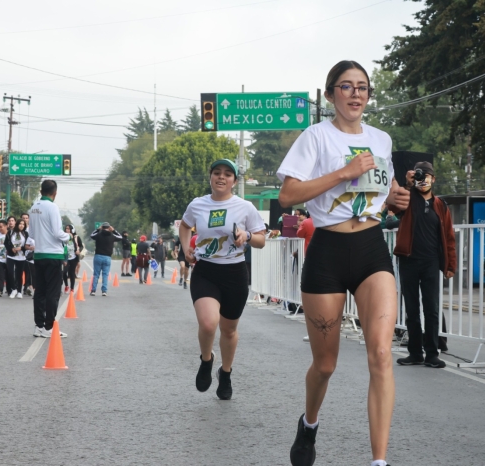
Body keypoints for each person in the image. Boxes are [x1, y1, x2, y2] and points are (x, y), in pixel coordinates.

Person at [277, 60, 406, 466]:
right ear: (332, 93)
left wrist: (396, 196)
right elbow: (287, 196)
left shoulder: (381, 139)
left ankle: (379, 461)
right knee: (325, 364)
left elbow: (379, 186)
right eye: (347, 87)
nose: (355, 94)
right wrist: (343, 172)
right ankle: (309, 423)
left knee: (381, 355)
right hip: (327, 252)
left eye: (363, 88)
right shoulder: (315, 137)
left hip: (371, 248)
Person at [180, 158, 266, 401]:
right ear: (210, 177)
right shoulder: (198, 205)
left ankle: (225, 373)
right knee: (208, 324)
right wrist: (187, 248)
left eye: (227, 174)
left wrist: (246, 236)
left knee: (229, 330)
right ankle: (206, 360)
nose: (221, 177)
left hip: (235, 273)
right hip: (206, 271)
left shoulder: (245, 207)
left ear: (234, 181)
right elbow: (185, 226)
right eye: (216, 173)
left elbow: (261, 240)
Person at [392, 161, 456, 368]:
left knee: (432, 309)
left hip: (431, 262)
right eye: (420, 176)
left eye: (426, 176)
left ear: (433, 179)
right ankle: (415, 353)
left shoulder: (440, 205)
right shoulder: (408, 199)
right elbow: (393, 207)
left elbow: (448, 237)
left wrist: (450, 265)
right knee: (411, 309)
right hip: (409, 260)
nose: (423, 180)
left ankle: (432, 353)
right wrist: (408, 185)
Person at [27, 180, 71, 338]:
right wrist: (68, 237)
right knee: (53, 293)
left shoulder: (34, 207)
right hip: (53, 255)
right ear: (55, 193)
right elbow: (58, 232)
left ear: (40, 190)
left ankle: (39, 326)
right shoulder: (52, 207)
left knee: (40, 292)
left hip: (38, 255)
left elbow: (31, 234)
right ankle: (49, 327)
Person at [89, 222, 122, 296]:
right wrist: (114, 230)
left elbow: (91, 235)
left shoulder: (98, 235)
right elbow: (120, 237)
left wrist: (97, 229)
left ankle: (93, 290)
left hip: (98, 256)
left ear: (102, 227)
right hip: (107, 257)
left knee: (96, 274)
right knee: (105, 275)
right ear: (109, 227)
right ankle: (104, 291)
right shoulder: (112, 236)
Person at [4, 219, 28, 299]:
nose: (21, 225)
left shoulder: (25, 234)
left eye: (23, 224)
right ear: (17, 224)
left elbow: (27, 245)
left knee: (19, 274)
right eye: (20, 224)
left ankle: (19, 291)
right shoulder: (10, 232)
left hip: (21, 257)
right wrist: (11, 249)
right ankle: (13, 289)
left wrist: (20, 248)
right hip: (11, 256)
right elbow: (6, 243)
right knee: (10, 272)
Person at [62, 225, 83, 294]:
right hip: (66, 257)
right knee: (64, 272)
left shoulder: (76, 237)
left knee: (72, 273)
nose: (67, 230)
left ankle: (72, 288)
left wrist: (79, 250)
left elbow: (81, 245)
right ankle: (66, 285)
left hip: (73, 257)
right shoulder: (63, 237)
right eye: (66, 228)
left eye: (69, 229)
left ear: (72, 230)